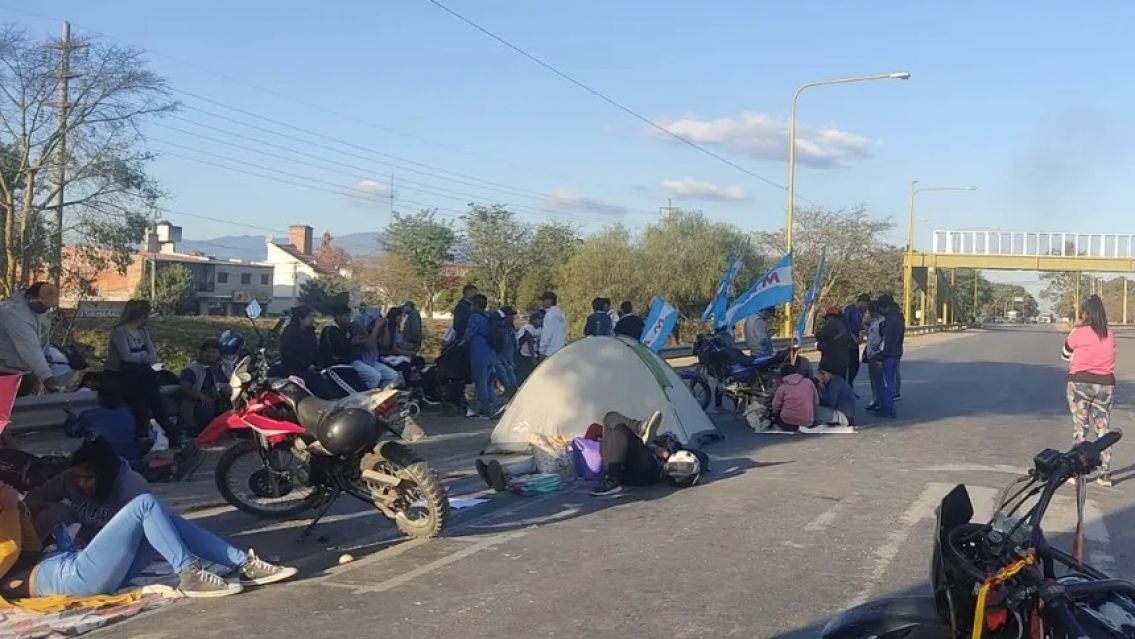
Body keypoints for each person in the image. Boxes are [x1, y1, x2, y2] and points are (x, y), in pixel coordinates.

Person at [16, 438, 296, 599]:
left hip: (96, 561)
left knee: (159, 515)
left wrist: (17, 510)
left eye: (87, 478)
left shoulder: (129, 485)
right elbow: (34, 503)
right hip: (80, 567)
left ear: (106, 474)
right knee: (147, 506)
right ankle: (189, 572)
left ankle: (243, 564)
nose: (80, 483)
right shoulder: (11, 540)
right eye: (76, 477)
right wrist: (31, 512)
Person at [104, 300, 182, 447]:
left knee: (155, 397)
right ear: (140, 315)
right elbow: (126, 357)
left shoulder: (143, 332)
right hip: (121, 375)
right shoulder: (120, 332)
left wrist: (140, 356)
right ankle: (142, 436)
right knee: (139, 402)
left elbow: (153, 355)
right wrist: (142, 355)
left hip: (140, 373)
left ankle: (171, 433)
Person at [1062, 295, 1117, 486]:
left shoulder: (1078, 332)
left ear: (1086, 313)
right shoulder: (1109, 333)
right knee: (1102, 427)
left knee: (1080, 428)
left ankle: (1078, 472)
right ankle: (1105, 473)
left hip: (1080, 383)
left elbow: (1065, 353)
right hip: (1105, 384)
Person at [0, 282, 60, 396]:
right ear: (30, 298)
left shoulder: (41, 312)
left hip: (23, 370)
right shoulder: (13, 313)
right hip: (5, 372)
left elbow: (43, 339)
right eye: (42, 305)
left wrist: (46, 358)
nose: (45, 309)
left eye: (48, 307)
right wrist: (47, 376)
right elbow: (30, 348)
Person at [590, 411, 665, 497]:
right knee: (611, 418)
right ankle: (639, 427)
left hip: (643, 465)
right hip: (624, 473)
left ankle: (612, 478)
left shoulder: (663, 439)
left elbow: (668, 454)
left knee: (611, 418)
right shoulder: (611, 432)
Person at [277, 305, 332, 398]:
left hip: (311, 367)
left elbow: (315, 350)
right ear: (300, 319)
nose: (312, 319)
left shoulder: (310, 331)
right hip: (295, 368)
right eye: (310, 316)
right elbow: (288, 354)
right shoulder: (289, 333)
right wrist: (305, 365)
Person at [466, 295, 504, 419]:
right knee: (487, 383)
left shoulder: (475, 318)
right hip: (492, 353)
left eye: (472, 304)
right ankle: (498, 404)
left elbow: (468, 335)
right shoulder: (489, 317)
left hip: (479, 353)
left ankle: (485, 410)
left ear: (476, 305)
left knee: (480, 384)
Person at [178, 339, 227, 435]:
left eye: (214, 352)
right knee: (207, 408)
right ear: (201, 352)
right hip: (199, 401)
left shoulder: (226, 366)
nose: (210, 354)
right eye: (207, 351)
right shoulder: (193, 369)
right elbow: (184, 387)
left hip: (224, 398)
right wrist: (201, 397)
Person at [875, 294, 905, 419]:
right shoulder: (898, 316)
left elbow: (887, 340)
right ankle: (888, 406)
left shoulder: (891, 319)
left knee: (887, 382)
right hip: (896, 352)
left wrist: (881, 356)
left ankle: (888, 408)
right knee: (890, 381)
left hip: (889, 354)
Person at [771, 363, 817, 431]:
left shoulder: (783, 387)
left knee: (774, 417)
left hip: (788, 422)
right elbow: (816, 401)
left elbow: (775, 406)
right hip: (807, 422)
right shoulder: (809, 382)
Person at [815, 306, 855, 380]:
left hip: (829, 362)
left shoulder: (832, 324)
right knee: (840, 383)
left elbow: (819, 335)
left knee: (828, 384)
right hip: (843, 362)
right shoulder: (846, 328)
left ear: (831, 316)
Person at [863, 301, 886, 412]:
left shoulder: (882, 323)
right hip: (871, 355)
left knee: (878, 381)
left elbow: (884, 340)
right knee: (874, 381)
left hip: (876, 355)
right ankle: (876, 399)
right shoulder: (875, 322)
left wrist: (880, 353)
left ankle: (880, 402)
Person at [843, 294, 870, 385]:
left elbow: (860, 325)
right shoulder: (850, 309)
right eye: (866, 304)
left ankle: (850, 384)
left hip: (855, 344)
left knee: (855, 366)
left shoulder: (861, 312)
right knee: (848, 366)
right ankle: (847, 386)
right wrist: (853, 336)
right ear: (861, 302)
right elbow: (845, 325)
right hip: (847, 342)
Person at [492, 306, 520, 394]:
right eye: (511, 315)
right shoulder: (506, 324)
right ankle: (512, 389)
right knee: (508, 371)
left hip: (505, 351)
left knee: (507, 371)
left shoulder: (505, 324)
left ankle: (511, 390)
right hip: (506, 350)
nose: (512, 317)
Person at [515, 310, 543, 382]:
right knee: (523, 374)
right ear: (534, 320)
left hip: (533, 354)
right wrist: (533, 357)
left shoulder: (539, 329)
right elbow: (529, 342)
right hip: (524, 354)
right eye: (539, 319)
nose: (541, 321)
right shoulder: (528, 328)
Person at [538, 291, 567, 358]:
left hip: (549, 352)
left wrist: (541, 350)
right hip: (560, 349)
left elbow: (547, 335)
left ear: (550, 300)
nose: (542, 302)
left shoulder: (549, 315)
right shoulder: (561, 313)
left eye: (544, 300)